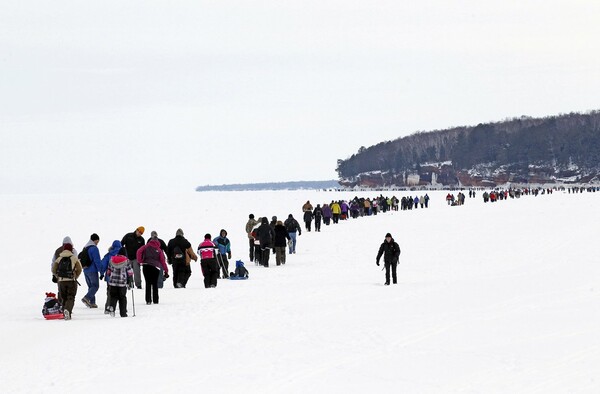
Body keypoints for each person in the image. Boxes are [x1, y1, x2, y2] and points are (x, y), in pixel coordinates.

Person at [51, 243, 83, 320]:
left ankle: (64, 311)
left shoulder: (59, 258)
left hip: (61, 282)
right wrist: (76, 276)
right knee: (71, 297)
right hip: (71, 281)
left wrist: (58, 277)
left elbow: (53, 269)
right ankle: (67, 310)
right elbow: (79, 269)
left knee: (63, 297)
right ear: (71, 249)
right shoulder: (74, 258)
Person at [137, 238, 169, 304]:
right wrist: (166, 270)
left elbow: (139, 251)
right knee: (155, 284)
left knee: (148, 283)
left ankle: (148, 300)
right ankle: (155, 300)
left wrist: (140, 261)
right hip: (155, 267)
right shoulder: (158, 249)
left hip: (146, 266)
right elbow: (163, 261)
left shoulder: (145, 247)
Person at [100, 240, 125, 314]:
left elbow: (103, 266)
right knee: (121, 294)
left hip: (110, 278)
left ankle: (108, 308)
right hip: (121, 278)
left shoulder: (108, 255)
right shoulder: (123, 255)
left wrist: (102, 274)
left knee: (110, 293)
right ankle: (122, 309)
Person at [106, 251, 134, 317]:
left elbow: (108, 272)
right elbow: (130, 272)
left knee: (113, 296)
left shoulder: (111, 260)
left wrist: (110, 275)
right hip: (122, 283)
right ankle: (123, 313)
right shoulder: (127, 261)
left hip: (113, 282)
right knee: (122, 298)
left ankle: (112, 307)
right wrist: (130, 280)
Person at [81, 233, 102, 309]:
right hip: (92, 270)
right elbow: (97, 261)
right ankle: (86, 298)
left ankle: (92, 303)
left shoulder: (85, 247)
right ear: (95, 240)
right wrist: (101, 271)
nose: (97, 243)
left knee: (91, 286)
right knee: (95, 286)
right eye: (97, 241)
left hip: (85, 270)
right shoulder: (94, 248)